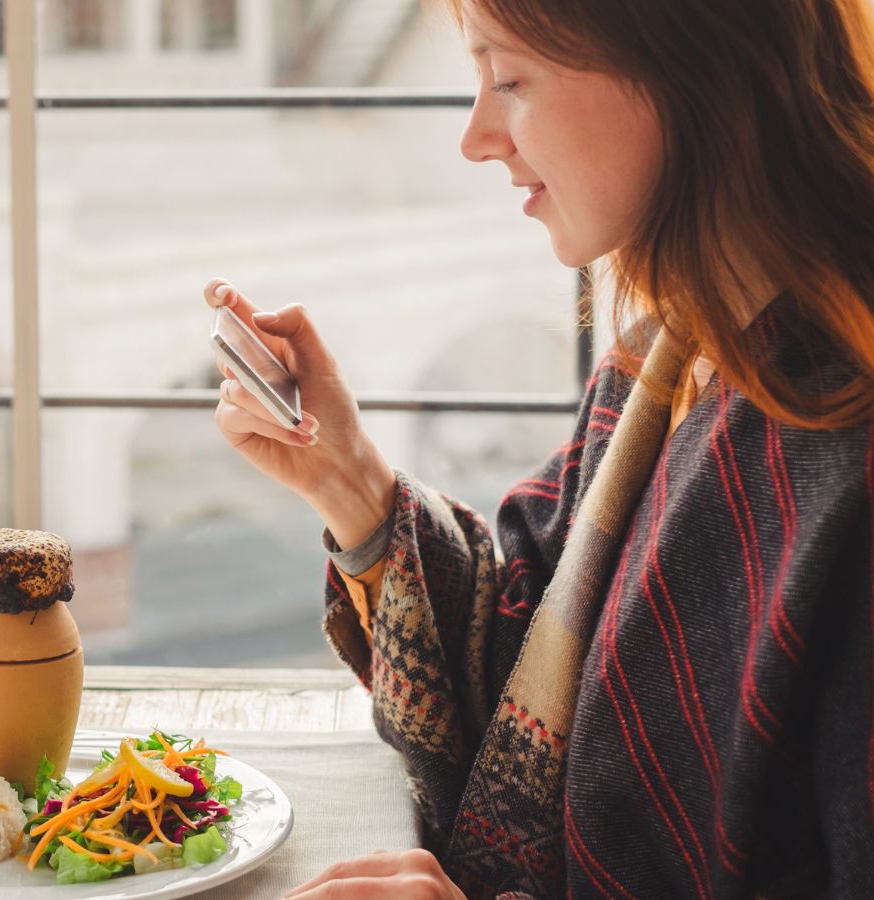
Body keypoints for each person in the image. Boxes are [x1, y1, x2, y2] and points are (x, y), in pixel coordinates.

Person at [207, 0, 874, 897]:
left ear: (692, 70)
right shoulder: (670, 355)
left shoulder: (846, 459)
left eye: (511, 79)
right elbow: (530, 684)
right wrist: (348, 476)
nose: (477, 137)